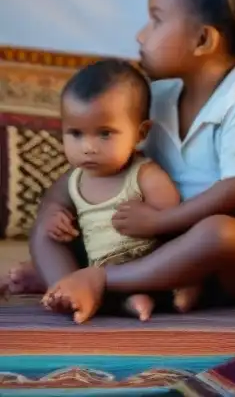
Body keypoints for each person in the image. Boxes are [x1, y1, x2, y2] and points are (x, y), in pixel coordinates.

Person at [30, 0, 235, 323]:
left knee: (219, 232)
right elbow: (117, 163)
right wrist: (60, 208)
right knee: (47, 227)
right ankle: (70, 287)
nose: (141, 35)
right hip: (170, 242)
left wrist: (161, 223)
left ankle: (103, 279)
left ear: (203, 40)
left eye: (157, 20)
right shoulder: (158, 97)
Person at [36, 59, 182, 322]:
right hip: (95, 266)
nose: (88, 147)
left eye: (105, 134)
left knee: (149, 288)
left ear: (140, 133)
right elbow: (52, 202)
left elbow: (175, 222)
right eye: (76, 134)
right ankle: (69, 288)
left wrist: (153, 220)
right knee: (43, 231)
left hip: (140, 268)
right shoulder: (74, 178)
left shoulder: (144, 175)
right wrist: (55, 215)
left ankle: (131, 300)